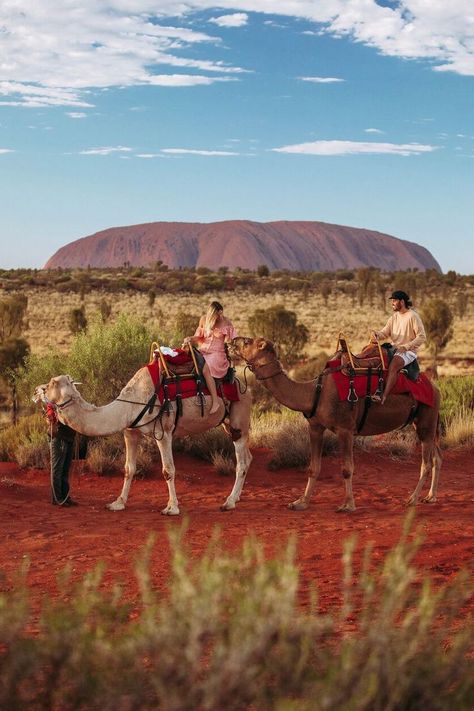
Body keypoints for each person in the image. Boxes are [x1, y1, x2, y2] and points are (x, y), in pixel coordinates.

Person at [371, 290, 426, 404]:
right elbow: (385, 333)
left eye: (394, 301)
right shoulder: (394, 317)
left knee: (394, 365)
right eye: (392, 301)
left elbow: (422, 337)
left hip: (408, 352)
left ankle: (383, 396)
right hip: (393, 348)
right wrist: (377, 334)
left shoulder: (413, 316)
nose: (392, 303)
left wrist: (406, 347)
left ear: (402, 301)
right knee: (374, 356)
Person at [183, 301, 237, 415]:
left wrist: (230, 342)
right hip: (203, 350)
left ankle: (215, 401)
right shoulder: (204, 319)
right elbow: (198, 337)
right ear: (213, 313)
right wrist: (190, 339)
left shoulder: (226, 322)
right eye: (218, 314)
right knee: (187, 361)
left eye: (221, 313)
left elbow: (231, 340)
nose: (220, 316)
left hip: (217, 353)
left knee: (206, 368)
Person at [46, 403, 79, 506]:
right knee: (57, 469)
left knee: (65, 469)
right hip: (59, 437)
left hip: (69, 438)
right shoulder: (56, 401)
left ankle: (65, 497)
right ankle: (57, 498)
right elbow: (49, 409)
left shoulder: (71, 400)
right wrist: (51, 417)